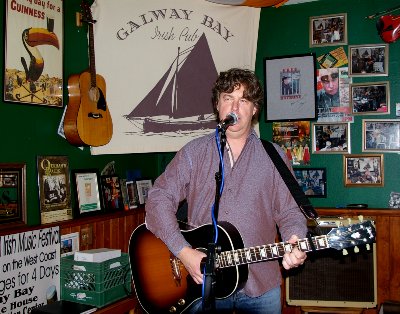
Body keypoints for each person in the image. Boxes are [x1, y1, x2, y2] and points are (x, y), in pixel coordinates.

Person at [145, 68, 308, 314]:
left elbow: (289, 212)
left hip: (260, 285)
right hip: (201, 285)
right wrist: (183, 251)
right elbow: (158, 199)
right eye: (228, 98)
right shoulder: (194, 153)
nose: (235, 106)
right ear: (217, 106)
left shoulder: (275, 156)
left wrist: (295, 239)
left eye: (243, 100)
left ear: (254, 109)